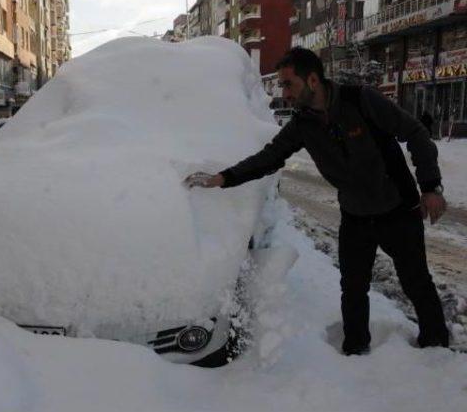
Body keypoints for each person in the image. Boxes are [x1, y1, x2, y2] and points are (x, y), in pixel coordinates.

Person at [184, 47, 449, 356]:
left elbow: (415, 133)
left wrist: (430, 187)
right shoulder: (302, 124)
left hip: (398, 210)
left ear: (312, 80)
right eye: (281, 86)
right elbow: (270, 157)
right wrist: (224, 178)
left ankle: (436, 349)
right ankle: (355, 351)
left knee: (416, 282)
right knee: (353, 288)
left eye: (288, 84)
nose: (284, 92)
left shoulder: (360, 100)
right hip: (355, 215)